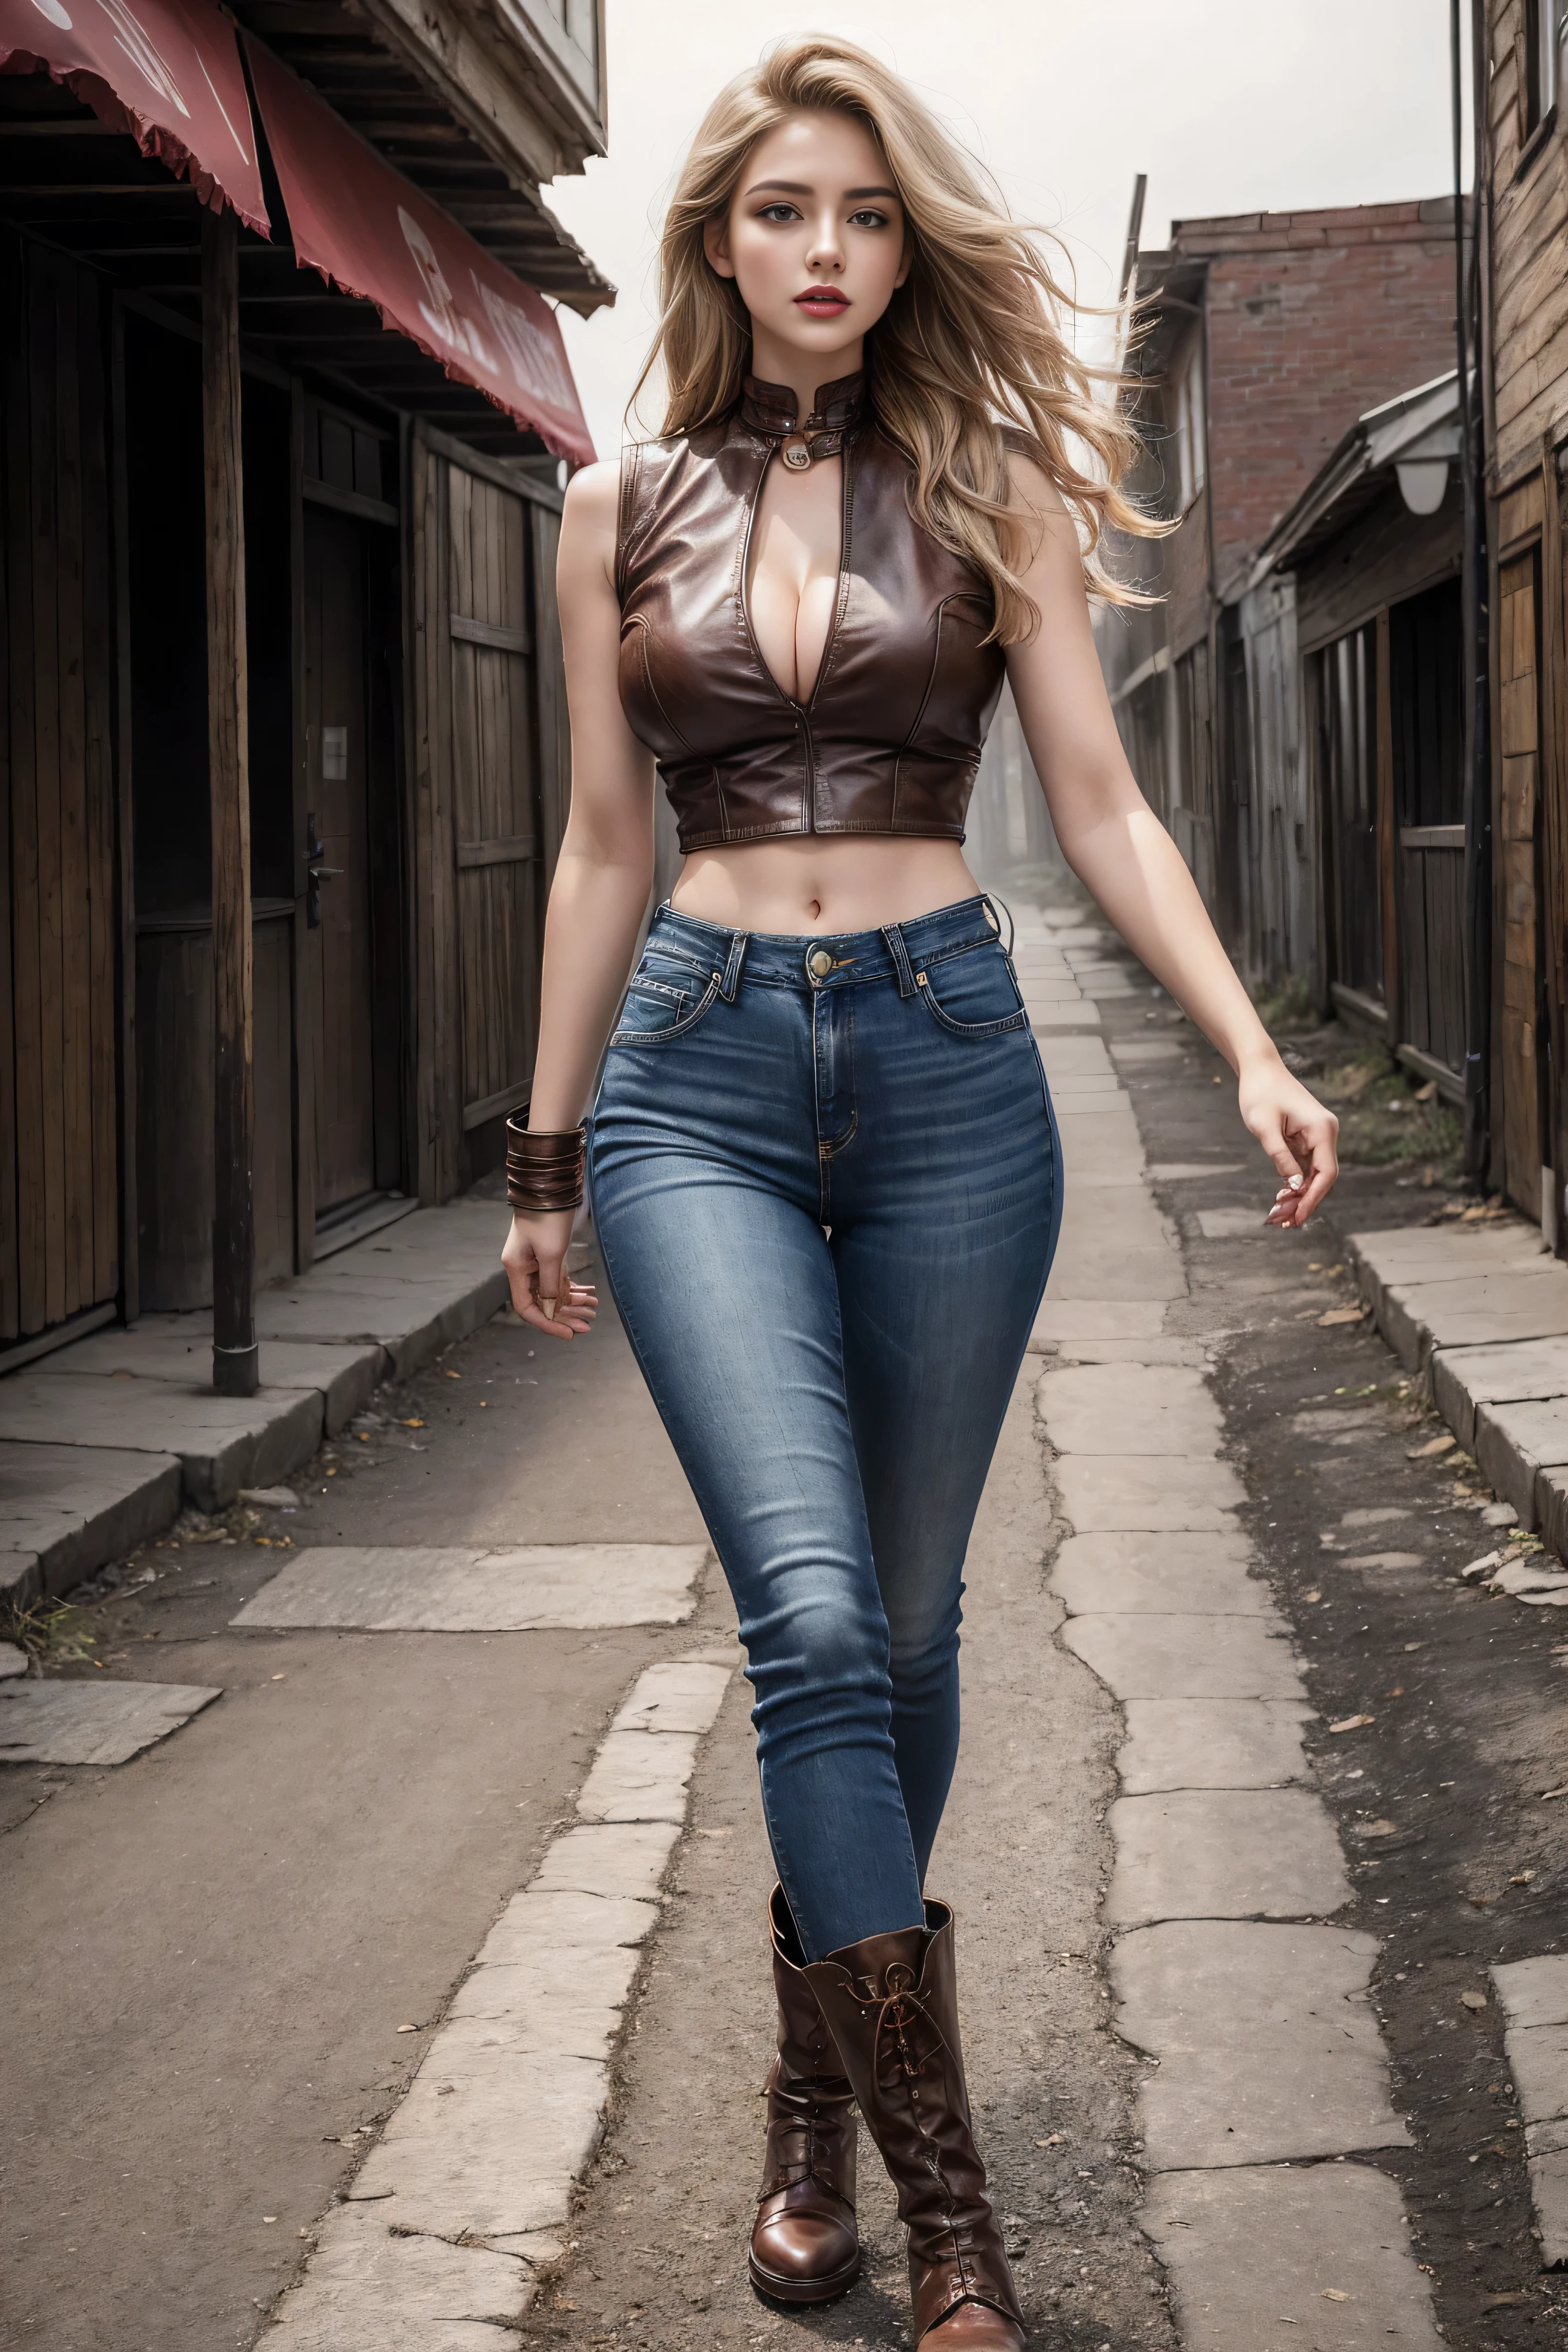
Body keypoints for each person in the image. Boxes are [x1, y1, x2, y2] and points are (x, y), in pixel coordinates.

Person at [501, 36, 1339, 2349]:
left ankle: (805, 2097)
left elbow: (1097, 801)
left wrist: (1247, 1043)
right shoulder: (614, 507)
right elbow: (597, 843)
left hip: (956, 1064)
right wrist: (546, 1149)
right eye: (782, 212)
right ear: (718, 241)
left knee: (911, 1623)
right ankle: (952, 2223)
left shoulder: (984, 486)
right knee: (810, 1619)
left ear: (901, 250)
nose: (825, 254)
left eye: (863, 218)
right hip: (692, 1078)